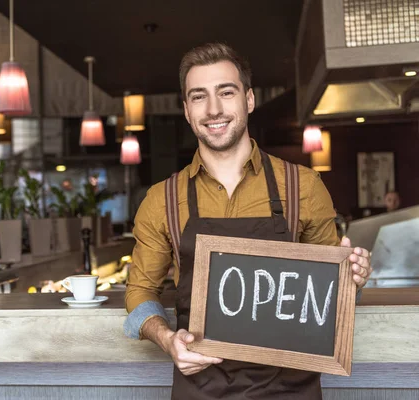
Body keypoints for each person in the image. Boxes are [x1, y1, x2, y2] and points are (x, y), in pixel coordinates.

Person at [123, 42, 372, 399]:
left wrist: (353, 280)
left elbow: (329, 295)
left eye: (226, 92)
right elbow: (139, 291)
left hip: (292, 390)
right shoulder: (161, 200)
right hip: (200, 388)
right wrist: (166, 339)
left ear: (249, 100)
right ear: (187, 111)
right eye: (198, 97)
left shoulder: (303, 186)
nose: (213, 109)